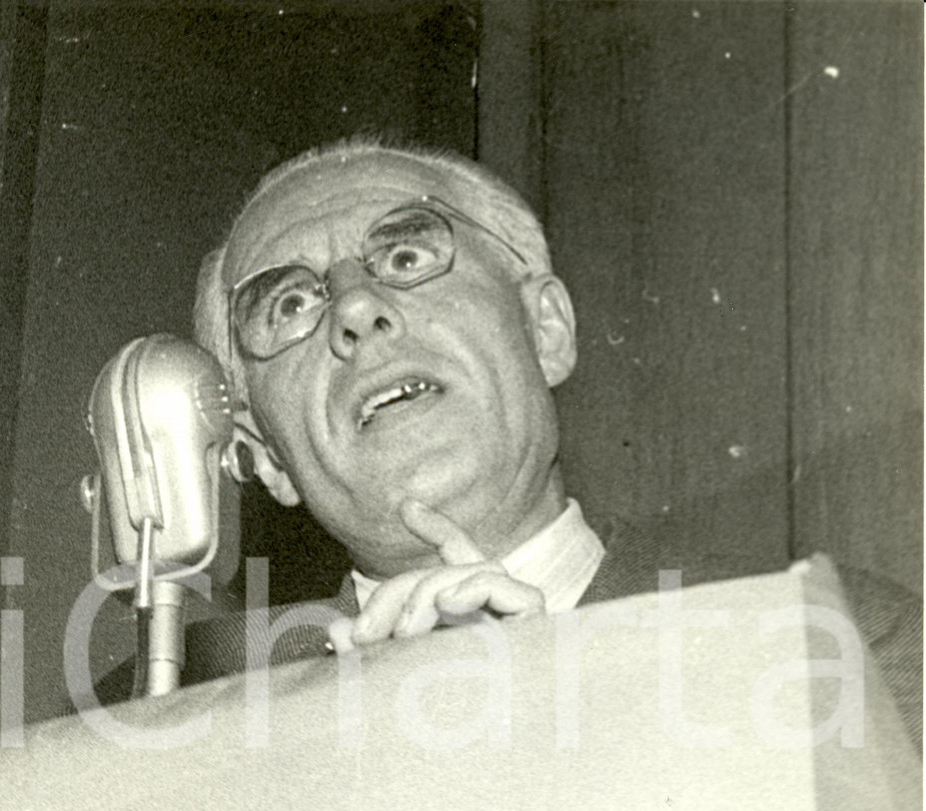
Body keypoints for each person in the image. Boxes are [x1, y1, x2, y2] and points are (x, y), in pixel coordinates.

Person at [97, 135, 921, 748]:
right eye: (288, 306)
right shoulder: (158, 711)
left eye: (409, 252)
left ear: (547, 330)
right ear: (267, 456)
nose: (355, 308)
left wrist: (544, 719)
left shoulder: (840, 644)